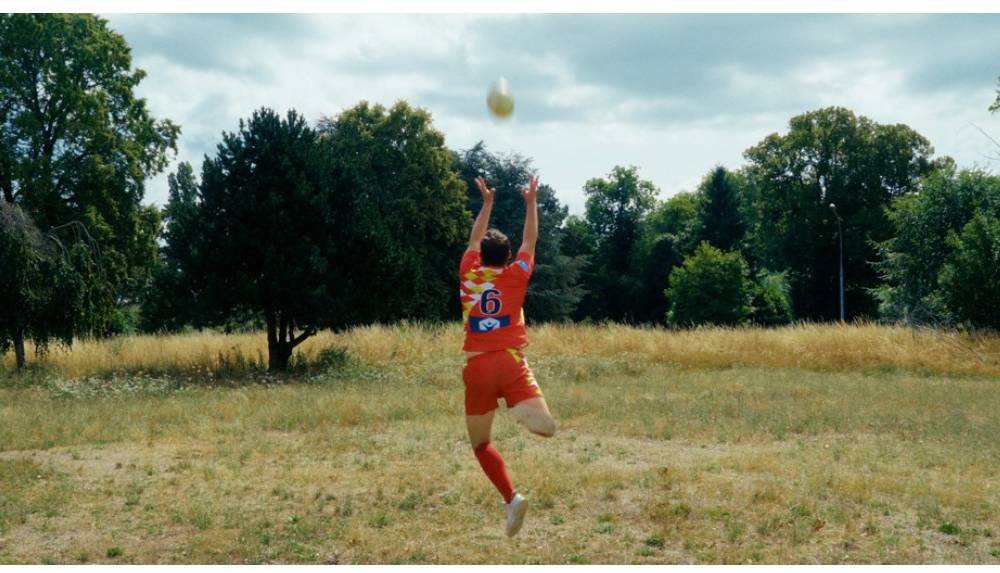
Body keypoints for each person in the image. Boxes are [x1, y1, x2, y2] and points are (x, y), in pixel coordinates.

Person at [459, 173, 557, 537]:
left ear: (480, 256)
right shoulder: (517, 275)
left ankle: (511, 498)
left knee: (482, 444)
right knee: (544, 426)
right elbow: (531, 240)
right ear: (508, 257)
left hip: (478, 365)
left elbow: (473, 239)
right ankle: (525, 409)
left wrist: (487, 203)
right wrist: (531, 202)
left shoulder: (469, 274)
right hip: (511, 361)